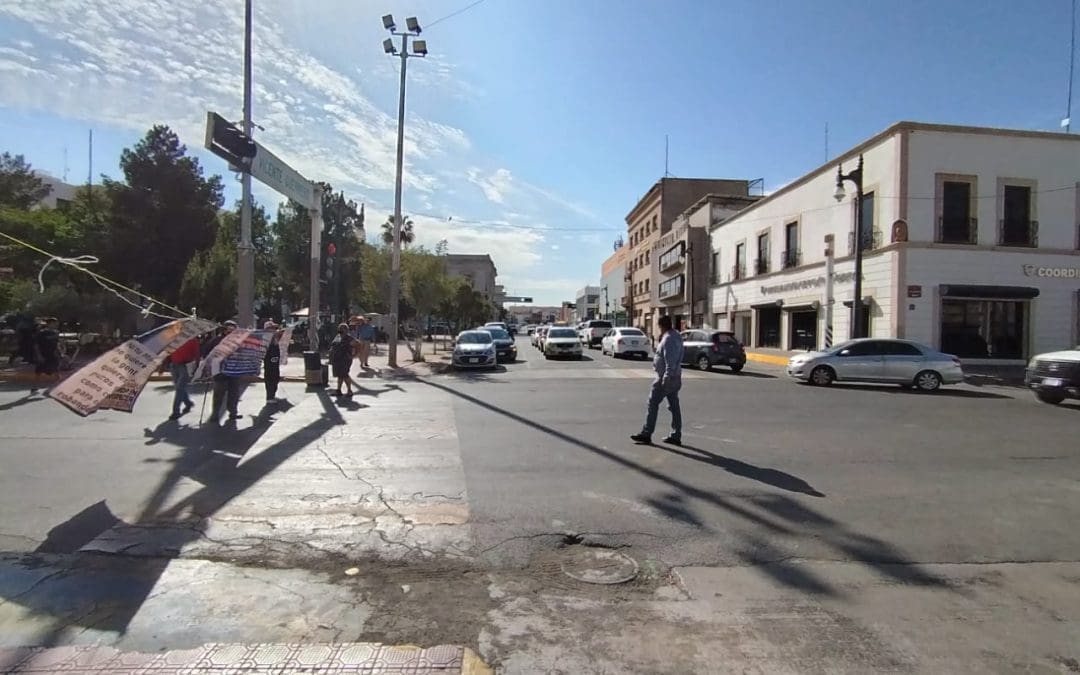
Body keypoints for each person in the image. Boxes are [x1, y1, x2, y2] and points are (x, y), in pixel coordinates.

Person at [631, 314, 684, 446]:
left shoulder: (669, 339)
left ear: (661, 326)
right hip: (675, 376)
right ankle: (676, 434)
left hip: (666, 378)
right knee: (674, 406)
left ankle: (646, 433)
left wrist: (666, 378)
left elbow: (670, 361)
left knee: (652, 403)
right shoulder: (677, 336)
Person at [206, 320, 243, 425]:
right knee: (218, 394)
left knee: (234, 394)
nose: (231, 332)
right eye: (229, 329)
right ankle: (215, 414)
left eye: (234, 329)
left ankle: (233, 412)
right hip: (220, 372)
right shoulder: (216, 341)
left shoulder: (238, 342)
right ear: (224, 330)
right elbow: (206, 353)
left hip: (234, 371)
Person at [167, 335, 200, 420]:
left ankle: (175, 412)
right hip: (174, 365)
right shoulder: (173, 338)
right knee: (179, 388)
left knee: (179, 388)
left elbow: (197, 354)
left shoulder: (192, 339)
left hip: (185, 366)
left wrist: (197, 368)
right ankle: (188, 403)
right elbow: (168, 351)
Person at [329, 322, 357, 397]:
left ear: (347, 330)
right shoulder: (337, 337)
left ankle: (349, 390)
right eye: (340, 328)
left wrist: (354, 355)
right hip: (337, 359)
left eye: (343, 328)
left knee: (344, 374)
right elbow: (333, 346)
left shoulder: (349, 338)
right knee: (340, 375)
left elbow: (358, 345)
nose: (341, 330)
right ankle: (338, 390)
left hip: (345, 359)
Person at [34, 318, 62, 385]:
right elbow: (36, 345)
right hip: (44, 354)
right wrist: (39, 355)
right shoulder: (42, 333)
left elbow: (57, 343)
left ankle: (57, 387)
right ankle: (35, 386)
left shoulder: (56, 332)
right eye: (54, 323)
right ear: (49, 324)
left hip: (53, 354)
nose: (56, 325)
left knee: (56, 370)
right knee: (39, 371)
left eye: (56, 323)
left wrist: (60, 352)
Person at [262, 320, 282, 402]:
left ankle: (272, 395)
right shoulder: (265, 339)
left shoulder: (274, 339)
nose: (274, 330)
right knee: (270, 379)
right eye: (272, 328)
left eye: (274, 328)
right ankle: (269, 397)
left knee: (276, 378)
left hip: (275, 362)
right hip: (269, 362)